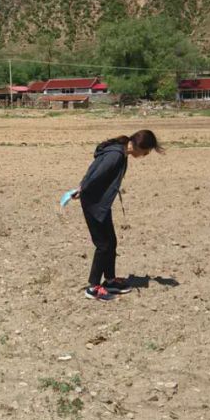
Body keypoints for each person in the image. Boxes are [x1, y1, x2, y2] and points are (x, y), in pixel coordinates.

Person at [76, 129, 163, 301]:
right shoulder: (116, 155)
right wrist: (82, 188)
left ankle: (110, 280)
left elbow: (95, 169)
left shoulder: (121, 152)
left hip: (101, 203)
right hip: (94, 202)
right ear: (139, 146)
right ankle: (93, 287)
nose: (145, 155)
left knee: (111, 241)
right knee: (103, 245)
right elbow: (97, 172)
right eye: (146, 152)